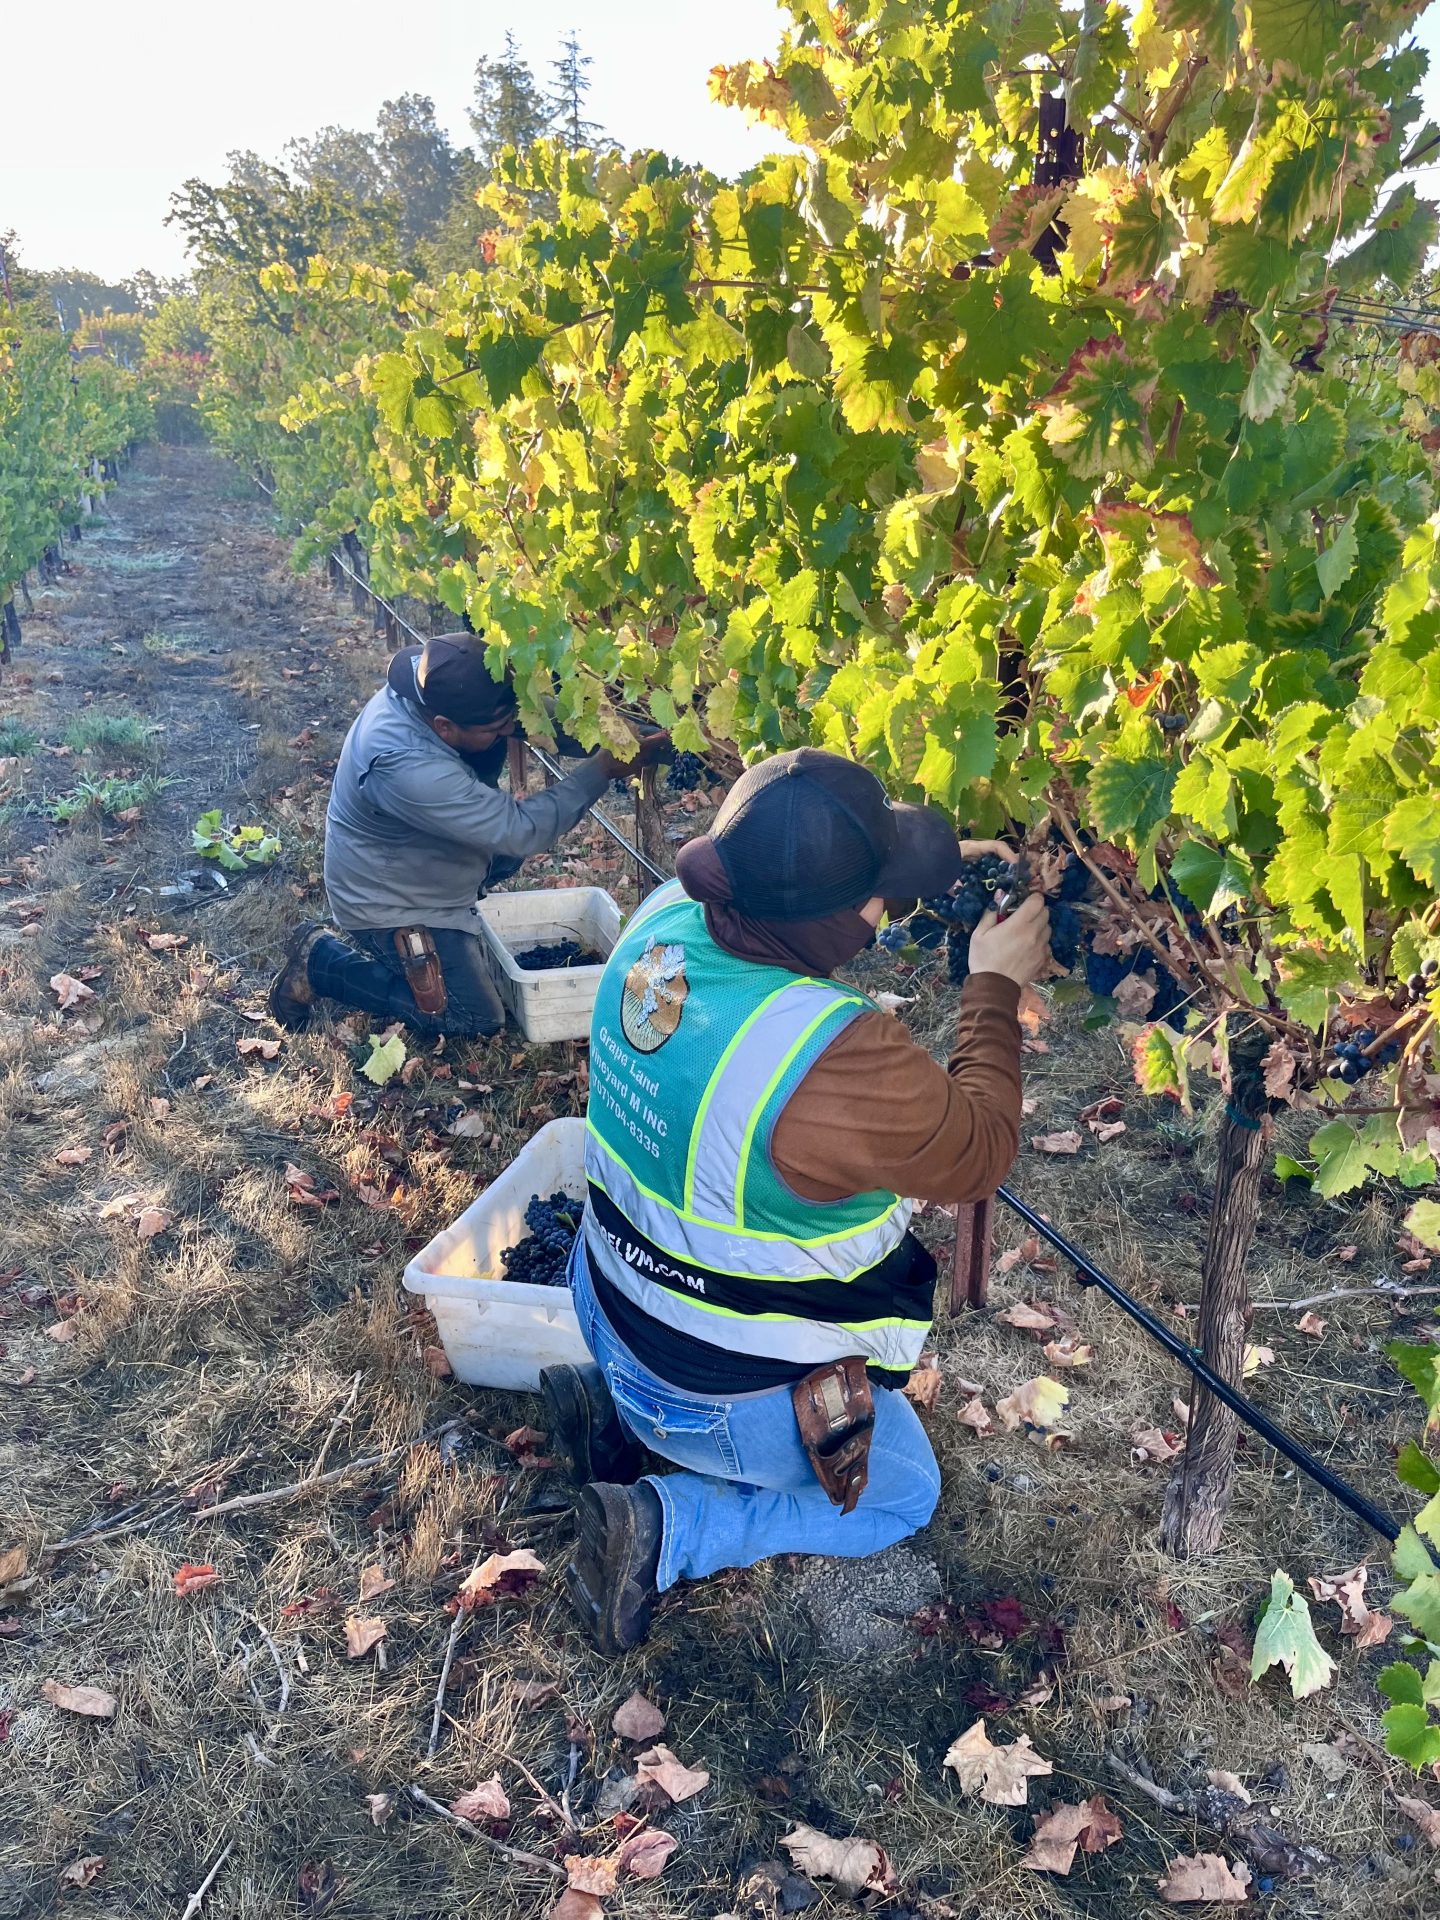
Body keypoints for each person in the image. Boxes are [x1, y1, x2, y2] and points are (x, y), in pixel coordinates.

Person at [539, 747, 1051, 1654]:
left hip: (601, 1303)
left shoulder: (667, 913)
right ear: (837, 923)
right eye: (877, 893)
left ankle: (609, 1412)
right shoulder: (832, 1056)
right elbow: (979, 1153)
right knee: (901, 1496)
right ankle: (666, 1527)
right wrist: (994, 989)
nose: (885, 906)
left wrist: (941, 861)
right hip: (709, 1394)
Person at [268, 634, 664, 1036]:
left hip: (414, 856)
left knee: (503, 846)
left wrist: (639, 734)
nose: (511, 730)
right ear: (444, 727)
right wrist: (602, 769)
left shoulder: (438, 687)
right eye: (498, 727)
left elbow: (535, 721)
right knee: (474, 1018)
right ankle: (321, 962)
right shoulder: (407, 766)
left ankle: (455, 912)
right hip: (386, 898)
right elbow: (521, 830)